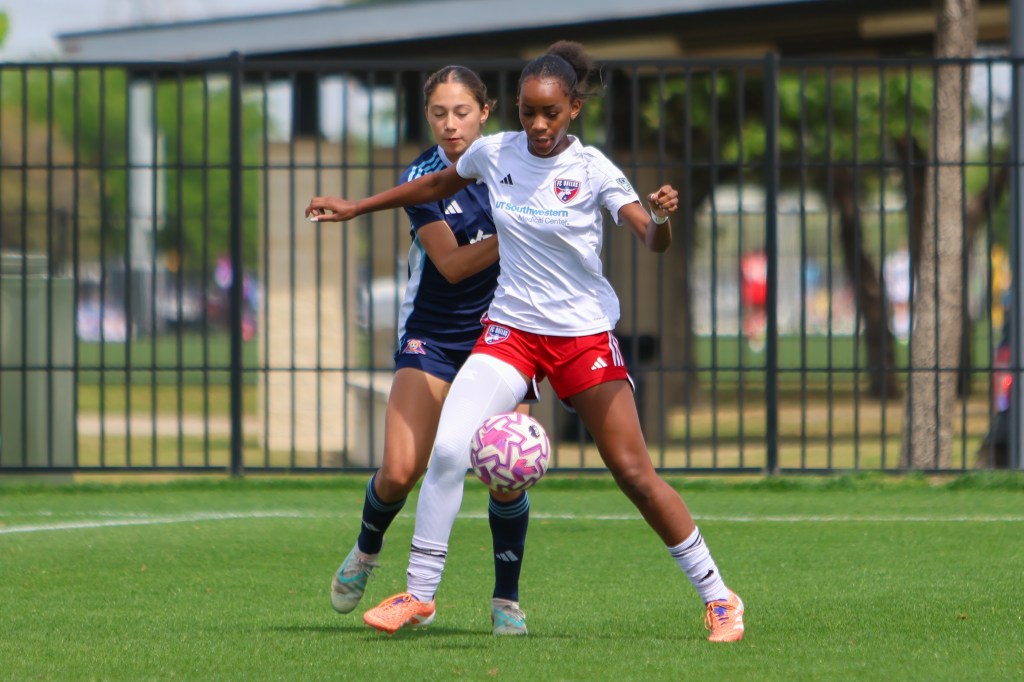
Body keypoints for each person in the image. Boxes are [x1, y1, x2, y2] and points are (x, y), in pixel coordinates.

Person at [307, 41, 745, 643]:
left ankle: (720, 598)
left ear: (573, 111)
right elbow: (433, 184)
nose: (538, 125)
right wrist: (357, 207)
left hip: (581, 336)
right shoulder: (495, 152)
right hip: (510, 332)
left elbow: (650, 239)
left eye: (552, 114)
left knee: (633, 472)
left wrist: (661, 217)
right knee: (449, 450)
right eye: (529, 112)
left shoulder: (593, 170)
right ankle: (420, 592)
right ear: (514, 107)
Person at [318, 65, 532, 636]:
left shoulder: (517, 166)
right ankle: (366, 552)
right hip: (434, 335)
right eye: (439, 113)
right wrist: (517, 231)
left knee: (507, 472)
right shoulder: (424, 177)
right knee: (399, 470)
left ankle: (506, 601)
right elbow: (454, 266)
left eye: (461, 112)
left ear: (485, 112)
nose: (450, 124)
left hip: (505, 335)